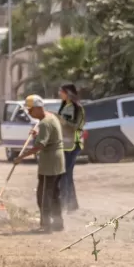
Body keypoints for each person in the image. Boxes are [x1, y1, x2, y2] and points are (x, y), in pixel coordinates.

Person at [15, 95, 65, 233]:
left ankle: (46, 226)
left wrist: (21, 157)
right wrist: (38, 134)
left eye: (30, 110)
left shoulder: (44, 122)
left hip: (49, 163)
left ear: (38, 108)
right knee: (54, 194)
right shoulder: (50, 117)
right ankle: (58, 223)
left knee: (43, 196)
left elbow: (40, 146)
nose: (29, 113)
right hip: (57, 162)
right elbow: (49, 137)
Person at [57, 84, 85, 212]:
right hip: (65, 145)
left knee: (65, 175)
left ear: (67, 93)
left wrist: (62, 121)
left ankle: (66, 204)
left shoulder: (77, 108)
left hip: (73, 145)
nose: (59, 93)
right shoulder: (65, 106)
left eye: (61, 91)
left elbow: (75, 126)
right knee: (65, 175)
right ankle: (70, 205)